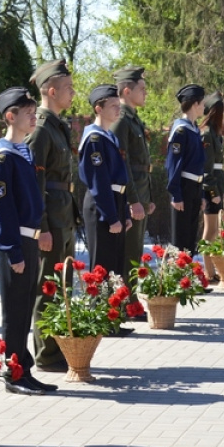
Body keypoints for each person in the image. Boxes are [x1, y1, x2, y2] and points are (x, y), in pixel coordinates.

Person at [0, 87, 50, 396]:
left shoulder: (24, 152)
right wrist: (13, 250)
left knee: (25, 308)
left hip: (30, 240)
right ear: (11, 117)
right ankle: (13, 373)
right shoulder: (3, 157)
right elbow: (3, 209)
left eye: (35, 112)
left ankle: (24, 368)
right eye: (27, 113)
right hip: (17, 243)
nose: (33, 117)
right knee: (14, 312)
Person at [25, 60, 81, 372]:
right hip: (51, 219)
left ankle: (61, 346)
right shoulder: (42, 129)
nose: (73, 93)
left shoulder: (56, 125)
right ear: (51, 90)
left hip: (64, 215)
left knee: (63, 286)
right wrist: (42, 227)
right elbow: (35, 184)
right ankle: (46, 354)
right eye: (68, 88)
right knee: (48, 287)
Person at [111, 67, 154, 321]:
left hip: (140, 194)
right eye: (141, 88)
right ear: (126, 90)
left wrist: (146, 199)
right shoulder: (121, 120)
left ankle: (131, 299)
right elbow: (122, 164)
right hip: (130, 197)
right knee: (128, 253)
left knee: (135, 251)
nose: (145, 92)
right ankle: (126, 301)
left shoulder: (133, 118)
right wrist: (133, 200)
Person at [80, 84, 131, 278]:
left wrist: (123, 212)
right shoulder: (94, 139)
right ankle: (99, 308)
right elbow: (98, 181)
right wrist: (111, 216)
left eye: (119, 104)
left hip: (114, 202)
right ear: (98, 109)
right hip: (101, 205)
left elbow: (120, 179)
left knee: (116, 266)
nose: (118, 109)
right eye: (113, 105)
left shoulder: (109, 137)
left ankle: (114, 307)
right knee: (103, 265)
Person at [165, 84, 206, 253]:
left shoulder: (194, 129)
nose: (204, 107)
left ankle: (189, 277)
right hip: (184, 187)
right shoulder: (181, 130)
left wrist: (201, 193)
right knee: (180, 239)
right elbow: (173, 164)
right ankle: (177, 276)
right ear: (195, 104)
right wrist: (176, 194)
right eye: (202, 103)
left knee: (190, 239)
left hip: (194, 187)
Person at [200, 94, 224, 250]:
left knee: (215, 231)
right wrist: (213, 192)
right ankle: (208, 271)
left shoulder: (216, 134)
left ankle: (212, 270)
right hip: (211, 188)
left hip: (217, 185)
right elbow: (206, 167)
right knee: (209, 231)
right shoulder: (207, 134)